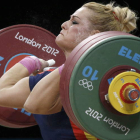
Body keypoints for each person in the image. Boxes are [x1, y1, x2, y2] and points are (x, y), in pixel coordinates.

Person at [0, 1, 138, 140]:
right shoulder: (49, 78)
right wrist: (31, 62)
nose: (64, 24)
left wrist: (29, 62)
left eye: (75, 22)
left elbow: (33, 104)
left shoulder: (115, 82)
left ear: (93, 36)